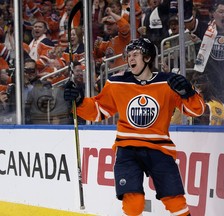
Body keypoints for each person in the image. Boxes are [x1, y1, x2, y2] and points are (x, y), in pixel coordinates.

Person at [64, 38, 205, 216]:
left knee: (176, 202)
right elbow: (98, 111)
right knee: (133, 205)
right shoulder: (117, 83)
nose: (130, 58)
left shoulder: (168, 82)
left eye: (135, 54)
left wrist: (188, 93)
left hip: (160, 149)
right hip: (127, 148)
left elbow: (197, 110)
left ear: (147, 58)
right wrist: (78, 101)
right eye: (129, 55)